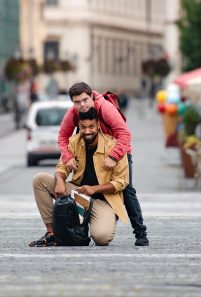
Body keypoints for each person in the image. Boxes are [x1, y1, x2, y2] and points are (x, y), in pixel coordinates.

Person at [57, 82, 148, 246]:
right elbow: (63, 136)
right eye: (77, 102)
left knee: (126, 189)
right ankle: (75, 229)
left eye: (85, 100)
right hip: (93, 150)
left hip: (118, 151)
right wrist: (67, 156)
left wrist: (114, 156)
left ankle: (140, 233)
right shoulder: (73, 113)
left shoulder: (104, 107)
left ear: (91, 96)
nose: (82, 105)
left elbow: (125, 134)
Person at [30, 108, 129, 247]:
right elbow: (61, 167)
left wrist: (94, 189)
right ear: (79, 127)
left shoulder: (113, 146)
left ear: (98, 126)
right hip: (78, 194)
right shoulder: (74, 142)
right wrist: (59, 181)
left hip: (104, 201)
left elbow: (121, 182)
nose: (87, 131)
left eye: (91, 127)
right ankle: (52, 233)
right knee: (40, 179)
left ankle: (90, 224)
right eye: (83, 127)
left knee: (102, 238)